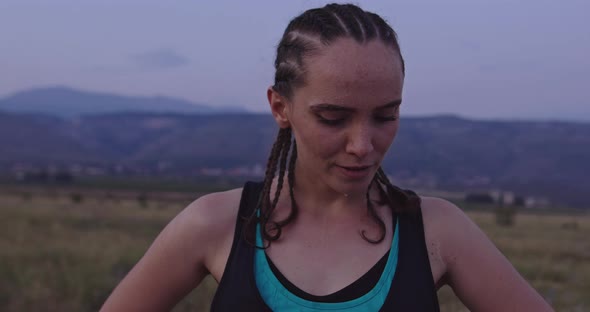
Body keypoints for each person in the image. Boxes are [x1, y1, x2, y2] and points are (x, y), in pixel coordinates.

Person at [101, 3, 553, 311]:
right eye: (333, 118)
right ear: (281, 107)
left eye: (385, 115)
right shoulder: (215, 224)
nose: (362, 144)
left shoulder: (436, 231)